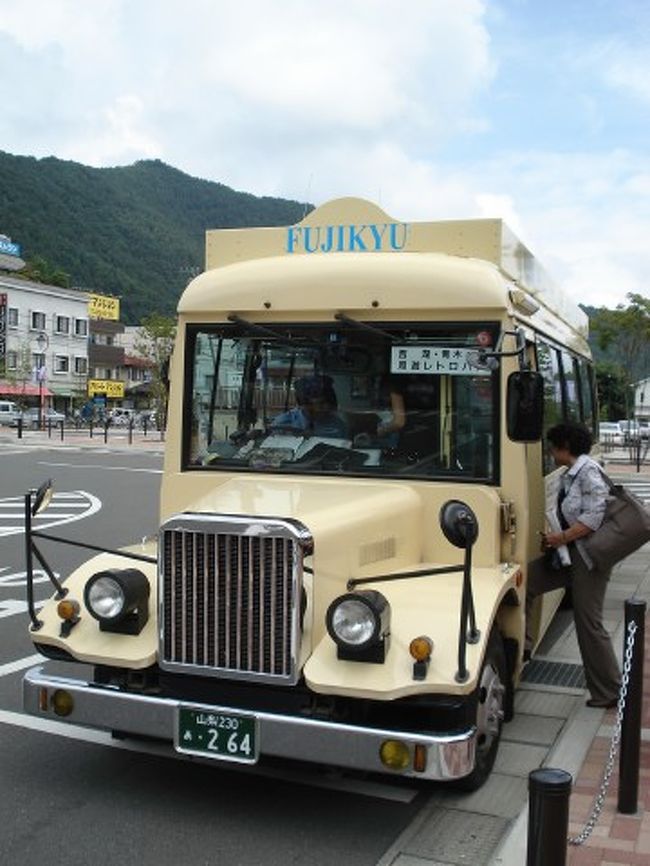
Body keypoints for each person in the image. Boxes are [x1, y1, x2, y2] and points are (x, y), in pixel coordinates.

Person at [525, 421, 621, 708]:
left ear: (564, 448)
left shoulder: (588, 472)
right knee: (527, 581)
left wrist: (560, 537)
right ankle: (524, 648)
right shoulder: (572, 472)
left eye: (553, 447)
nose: (551, 453)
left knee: (588, 624)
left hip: (588, 559)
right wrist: (556, 540)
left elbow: (593, 518)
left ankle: (610, 690)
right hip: (568, 554)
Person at [271, 375, 347, 438]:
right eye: (310, 404)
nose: (318, 409)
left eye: (323, 403)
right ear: (301, 404)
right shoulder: (282, 424)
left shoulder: (338, 427)